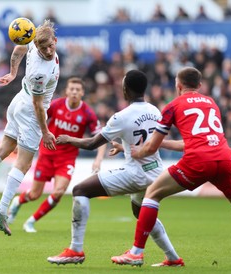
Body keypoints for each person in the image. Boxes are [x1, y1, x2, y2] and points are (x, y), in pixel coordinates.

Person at [111, 67, 231, 266]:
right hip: (225, 157)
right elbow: (197, 140)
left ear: (178, 85)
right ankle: (164, 258)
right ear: (200, 85)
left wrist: (137, 152)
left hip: (198, 161)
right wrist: (163, 143)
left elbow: (150, 147)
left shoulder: (173, 105)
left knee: (151, 193)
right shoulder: (212, 103)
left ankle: (136, 252)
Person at [47, 70, 184, 266]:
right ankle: (173, 257)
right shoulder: (155, 110)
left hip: (135, 174)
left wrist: (69, 139)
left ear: (125, 90)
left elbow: (92, 144)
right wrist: (124, 147)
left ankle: (75, 250)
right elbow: (147, 140)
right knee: (142, 214)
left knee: (80, 190)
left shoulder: (121, 116)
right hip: (155, 172)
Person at [0, 19, 60, 236]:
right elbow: (38, 105)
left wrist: (14, 73)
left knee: (4, 147)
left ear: (55, 41)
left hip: (18, 101)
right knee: (23, 163)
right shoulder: (40, 72)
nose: (46, 50)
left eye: (50, 46)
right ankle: (1, 209)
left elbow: (19, 48)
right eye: (43, 47)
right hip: (30, 111)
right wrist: (45, 132)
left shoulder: (33, 42)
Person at [7, 77, 106, 233]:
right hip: (47, 154)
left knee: (59, 192)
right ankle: (17, 202)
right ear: (66, 91)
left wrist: (98, 159)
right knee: (34, 194)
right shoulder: (56, 105)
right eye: (71, 89)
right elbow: (36, 120)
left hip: (66, 159)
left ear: (82, 93)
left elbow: (100, 138)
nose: (74, 92)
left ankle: (31, 222)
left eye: (77, 90)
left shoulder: (87, 113)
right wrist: (22, 142)